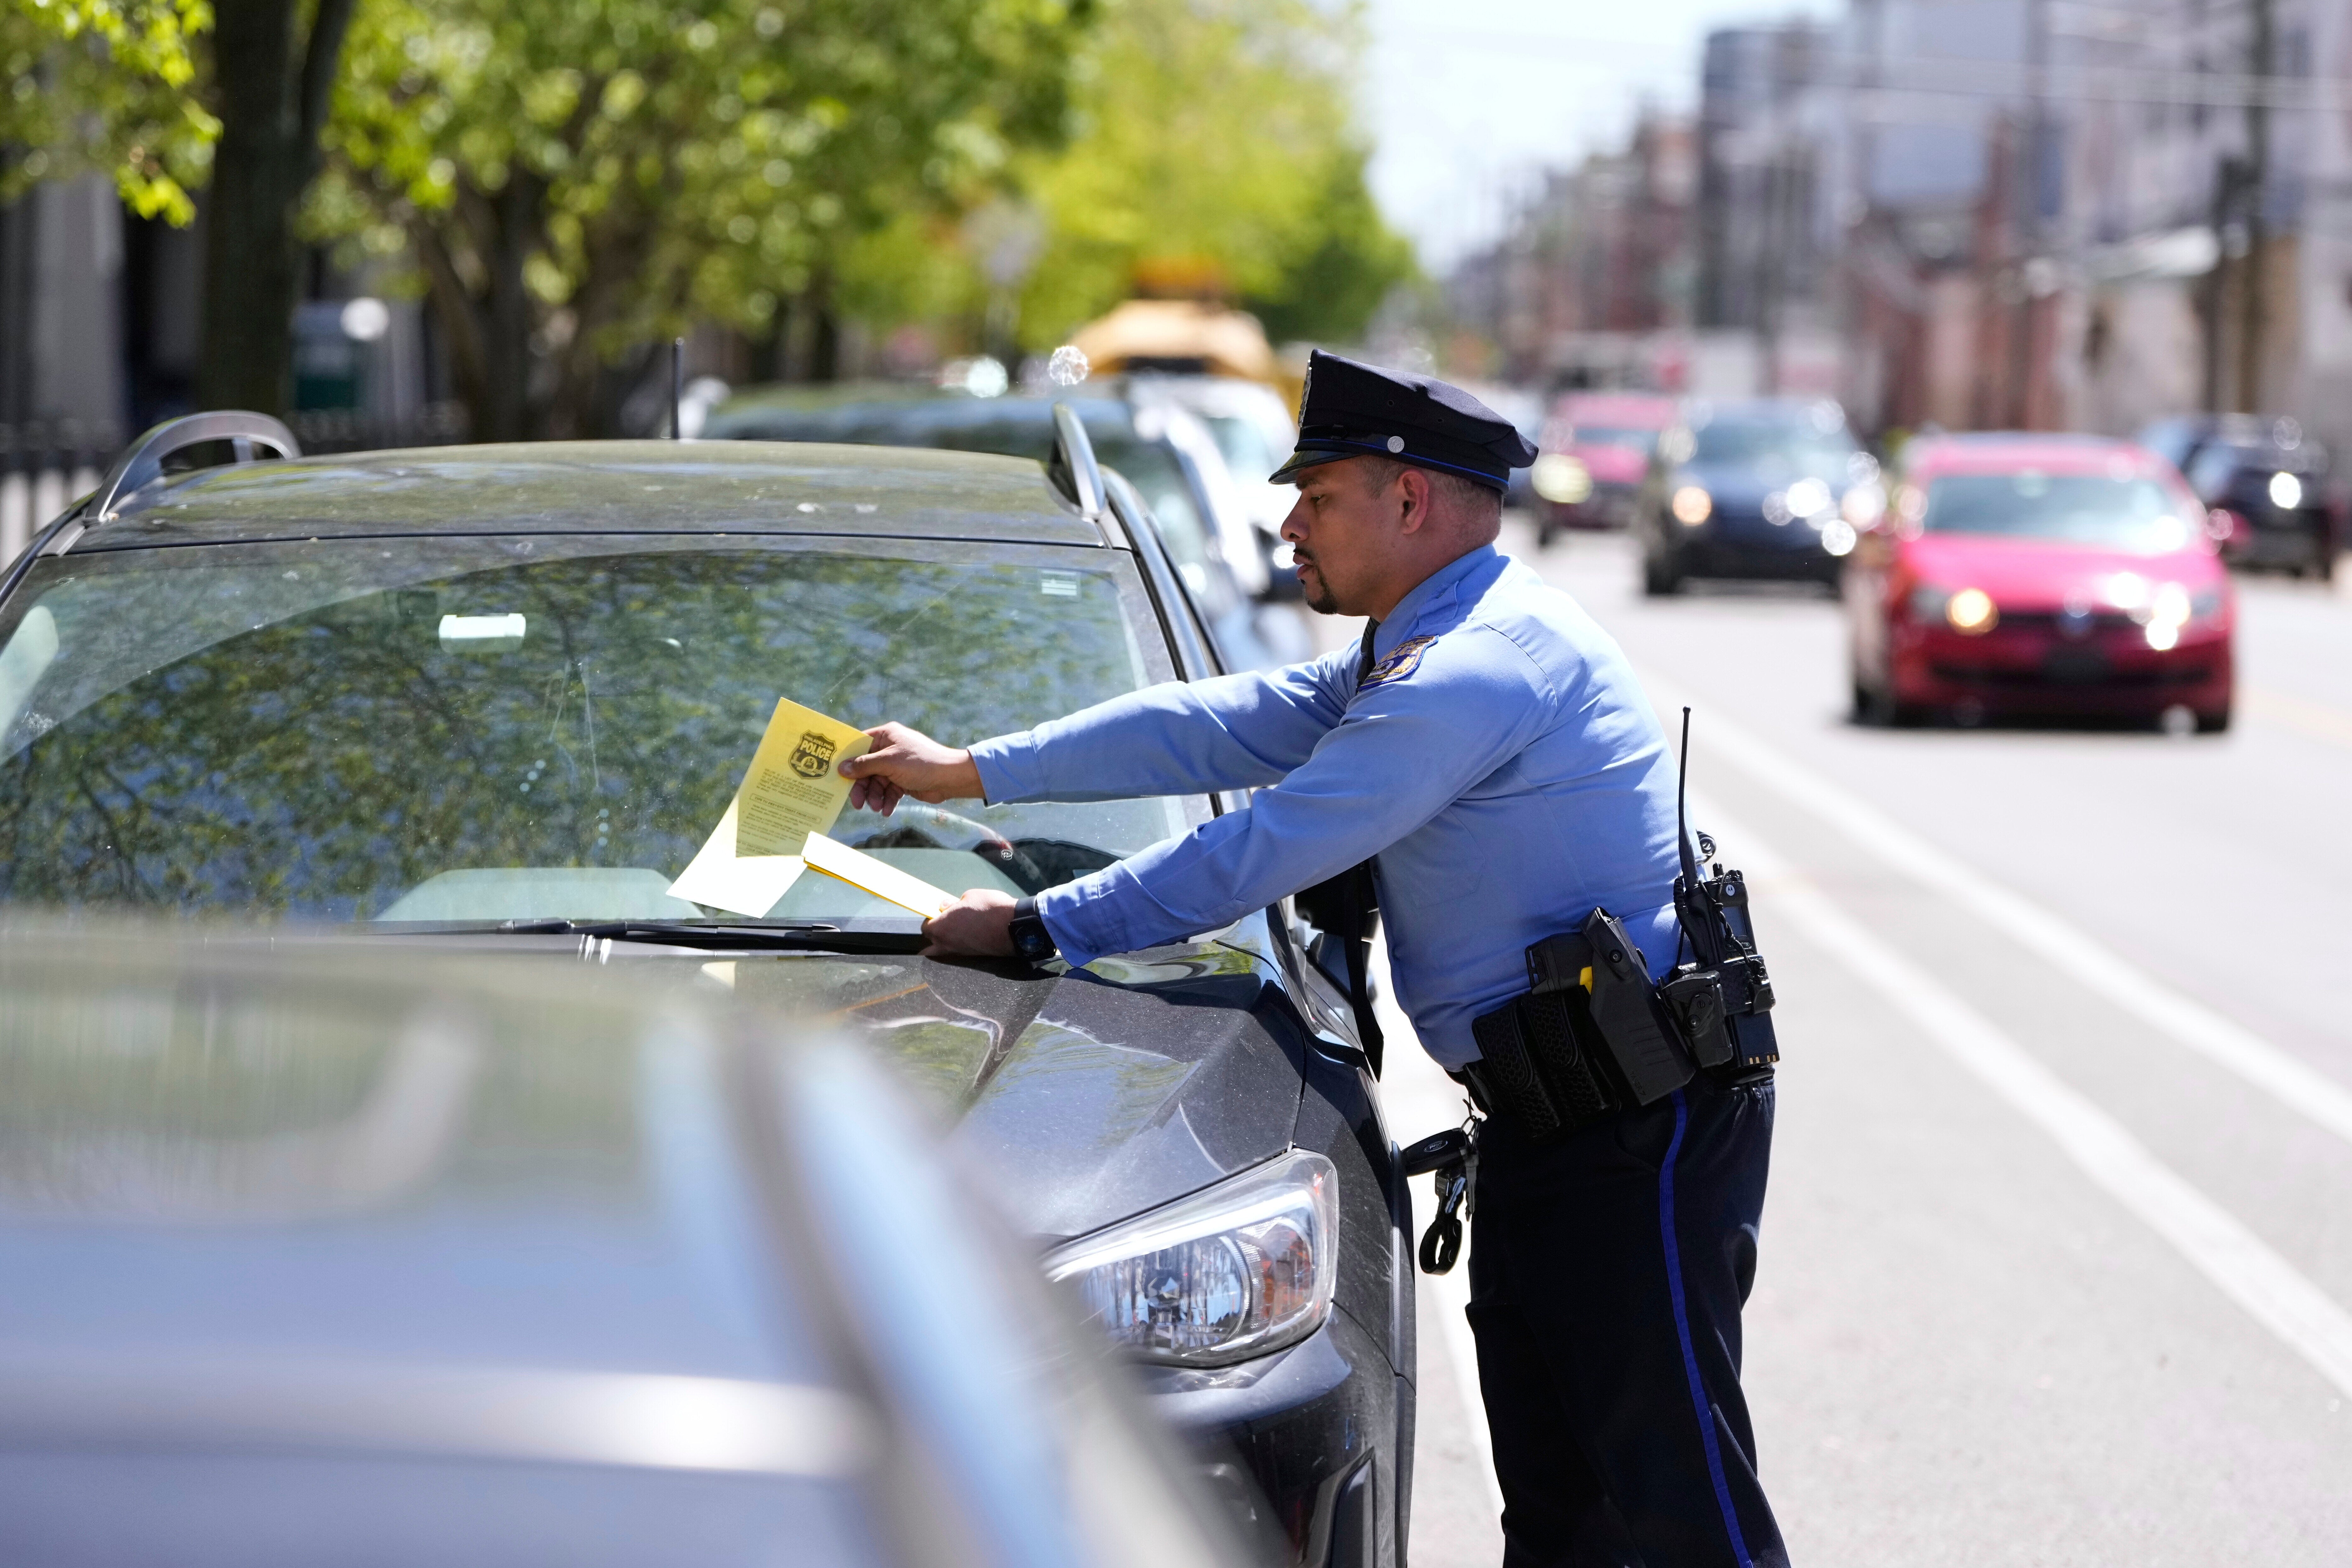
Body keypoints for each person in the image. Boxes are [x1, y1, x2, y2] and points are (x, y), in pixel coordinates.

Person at [840, 350, 1787, 1568]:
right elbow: (1213, 724)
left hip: (1633, 1128)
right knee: (1564, 1520)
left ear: (1409, 500)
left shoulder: (1478, 664)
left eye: (1319, 496)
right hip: (1558, 1118)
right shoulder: (1425, 637)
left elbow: (1265, 847)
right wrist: (970, 769)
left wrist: (1034, 926)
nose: (1290, 525)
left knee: (1684, 1516)